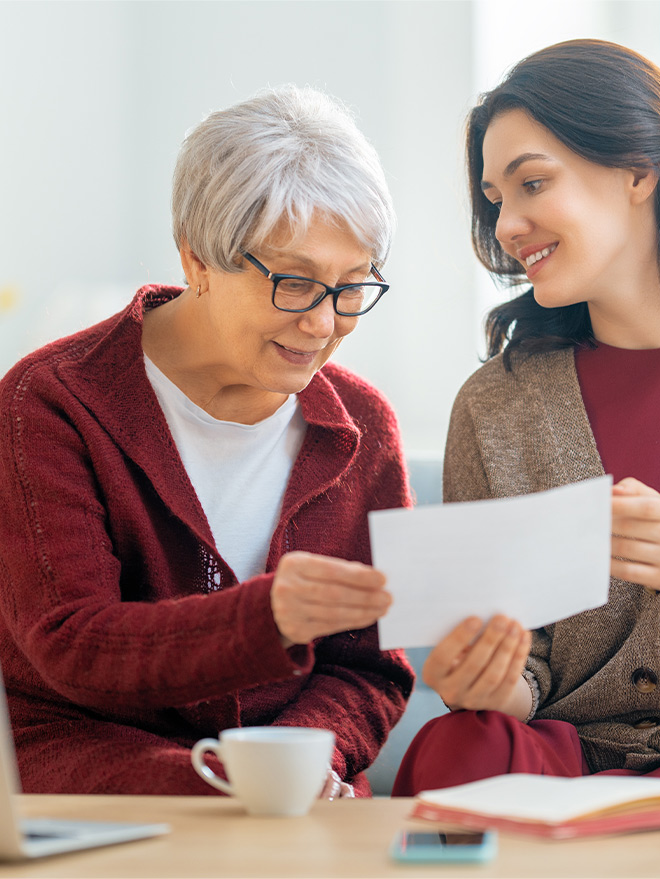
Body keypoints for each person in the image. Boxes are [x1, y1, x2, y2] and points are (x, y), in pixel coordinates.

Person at [0, 85, 414, 798]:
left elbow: (369, 667)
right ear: (196, 260)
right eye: (295, 283)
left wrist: (301, 753)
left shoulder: (362, 424)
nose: (324, 323)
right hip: (91, 758)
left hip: (290, 788)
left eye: (352, 287)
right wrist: (269, 616)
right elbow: (68, 639)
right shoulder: (48, 401)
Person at [393, 39, 660, 796]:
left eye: (533, 183)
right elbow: (526, 665)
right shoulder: (496, 404)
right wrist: (492, 681)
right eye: (496, 199)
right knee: (455, 742)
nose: (506, 226)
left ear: (638, 169)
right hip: (562, 756)